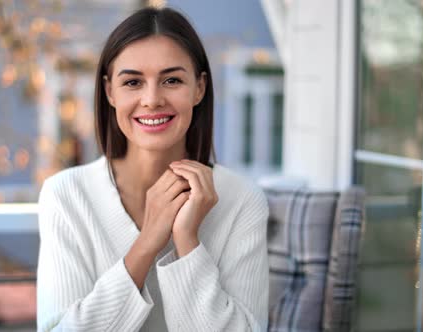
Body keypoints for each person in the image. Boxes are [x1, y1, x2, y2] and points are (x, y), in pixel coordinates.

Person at [36, 6, 269, 332]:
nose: (152, 99)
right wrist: (148, 243)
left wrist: (187, 241)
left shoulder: (243, 200)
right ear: (109, 91)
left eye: (172, 80)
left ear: (199, 88)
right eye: (132, 82)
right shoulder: (66, 195)